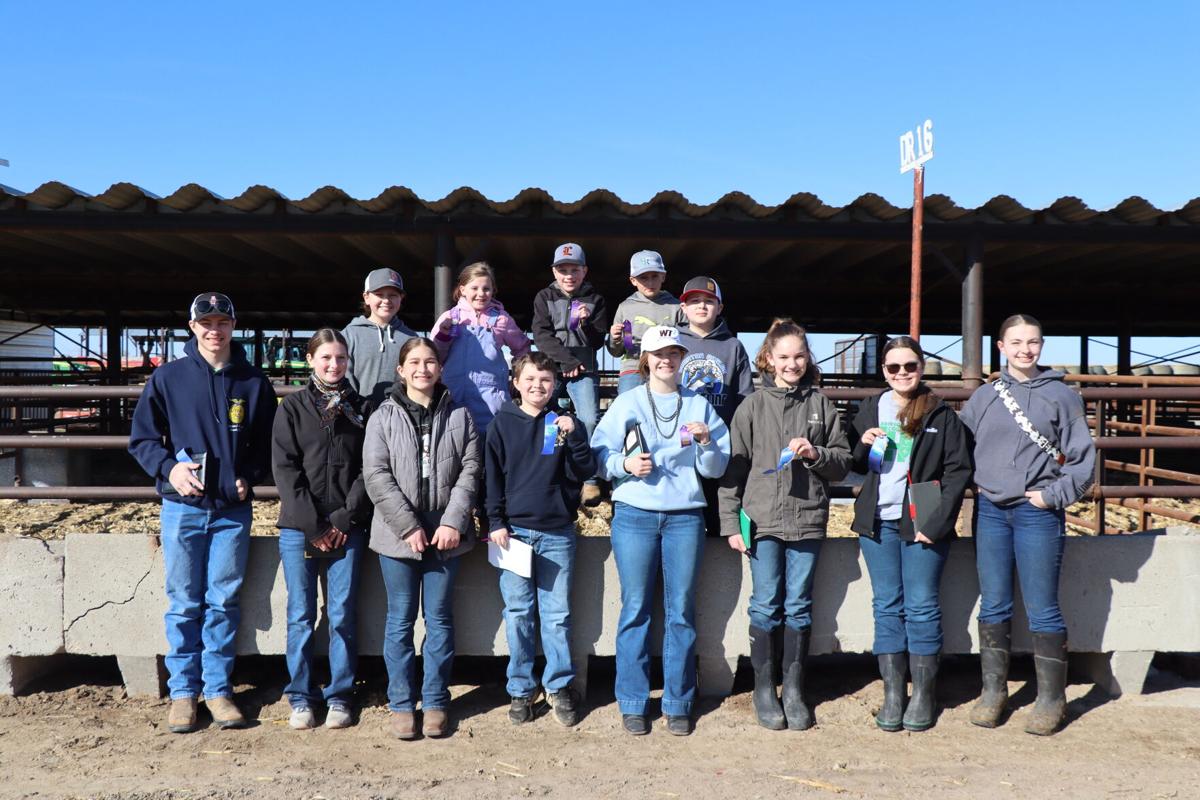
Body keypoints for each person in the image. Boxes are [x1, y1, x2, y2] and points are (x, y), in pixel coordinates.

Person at [128, 292, 276, 734]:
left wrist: (249, 475)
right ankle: (183, 693)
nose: (215, 330)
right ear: (192, 327)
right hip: (182, 508)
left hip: (232, 511)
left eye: (222, 322)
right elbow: (142, 439)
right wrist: (169, 469)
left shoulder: (253, 382)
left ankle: (218, 690)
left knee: (223, 601)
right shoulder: (168, 378)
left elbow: (268, 444)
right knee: (184, 602)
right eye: (206, 323)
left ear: (234, 326)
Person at [959, 314, 1095, 736]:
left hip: (1037, 512)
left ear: (1042, 345)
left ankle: (1051, 699)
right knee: (993, 603)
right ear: (1001, 347)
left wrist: (1052, 495)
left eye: (1032, 342)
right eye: (1016, 342)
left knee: (1042, 606)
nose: (1025, 350)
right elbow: (959, 446)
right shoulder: (984, 397)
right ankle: (993, 692)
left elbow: (1083, 459)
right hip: (991, 511)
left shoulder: (1062, 396)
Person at [591, 326, 730, 736]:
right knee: (635, 608)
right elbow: (599, 454)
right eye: (658, 353)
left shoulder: (699, 406)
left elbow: (715, 469)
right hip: (634, 514)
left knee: (681, 610)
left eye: (673, 353)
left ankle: (678, 702)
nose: (666, 360)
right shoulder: (628, 402)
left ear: (682, 358)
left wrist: (706, 443)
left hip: (685, 517)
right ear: (646, 360)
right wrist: (624, 465)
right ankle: (633, 701)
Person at [718, 318, 851, 731]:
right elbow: (734, 470)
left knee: (799, 605)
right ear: (769, 359)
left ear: (807, 358)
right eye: (784, 357)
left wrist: (815, 454)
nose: (792, 364)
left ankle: (793, 689)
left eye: (799, 356)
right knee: (765, 603)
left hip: (807, 519)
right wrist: (731, 523)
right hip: (762, 522)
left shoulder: (821, 405)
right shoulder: (752, 407)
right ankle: (763, 689)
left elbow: (842, 462)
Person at [848, 336, 972, 732]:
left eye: (910, 366)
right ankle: (892, 693)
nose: (902, 373)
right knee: (886, 604)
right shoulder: (870, 408)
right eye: (893, 367)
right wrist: (862, 443)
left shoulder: (941, 414)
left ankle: (922, 694)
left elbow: (958, 471)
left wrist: (936, 522)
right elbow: (855, 463)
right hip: (876, 518)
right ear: (884, 371)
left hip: (923, 515)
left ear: (921, 368)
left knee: (921, 605)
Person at [363, 337, 480, 740]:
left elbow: (470, 470)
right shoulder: (383, 417)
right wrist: (408, 526)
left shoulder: (460, 415)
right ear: (400, 370)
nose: (422, 369)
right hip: (398, 533)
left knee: (440, 619)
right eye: (414, 362)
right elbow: (376, 475)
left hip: (447, 531)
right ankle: (400, 703)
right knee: (399, 620)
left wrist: (453, 522)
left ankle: (434, 701)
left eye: (430, 362)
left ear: (440, 368)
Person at [485, 352, 595, 727]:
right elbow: (492, 478)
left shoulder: (563, 423)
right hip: (513, 534)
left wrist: (575, 436)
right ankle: (520, 688)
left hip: (557, 532)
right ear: (516, 383)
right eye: (530, 379)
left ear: (555, 385)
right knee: (518, 613)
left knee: (556, 615)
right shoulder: (502, 424)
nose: (538, 386)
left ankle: (558, 685)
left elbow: (585, 470)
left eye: (546, 380)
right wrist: (495, 521)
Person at [271, 328, 373, 731]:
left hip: (348, 526)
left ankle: (340, 694)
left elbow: (369, 467)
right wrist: (313, 525)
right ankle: (300, 694)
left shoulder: (361, 408)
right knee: (300, 613)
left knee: (342, 613)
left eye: (341, 358)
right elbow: (285, 468)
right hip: (300, 527)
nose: (334, 365)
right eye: (326, 357)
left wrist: (344, 519)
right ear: (311, 359)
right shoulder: (293, 408)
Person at [530, 242, 608, 505]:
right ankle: (546, 472)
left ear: (584, 271)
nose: (569, 275)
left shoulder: (596, 300)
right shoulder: (544, 297)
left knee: (589, 419)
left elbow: (597, 341)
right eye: (563, 270)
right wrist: (566, 361)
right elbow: (541, 335)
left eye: (574, 270)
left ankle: (590, 479)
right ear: (554, 272)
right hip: (553, 368)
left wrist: (586, 324)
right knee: (547, 420)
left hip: (585, 369)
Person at [676, 276, 753, 536]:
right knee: (685, 511)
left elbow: (744, 397)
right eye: (694, 301)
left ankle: (720, 553)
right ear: (683, 308)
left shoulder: (733, 346)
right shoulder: (673, 342)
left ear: (720, 307)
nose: (701, 306)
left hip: (719, 442)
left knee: (717, 509)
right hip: (680, 440)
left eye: (709, 301)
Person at [431, 262, 531, 434]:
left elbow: (523, 348)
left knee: (490, 441)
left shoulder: (501, 319)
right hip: (454, 395)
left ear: (493, 290)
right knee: (454, 440)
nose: (480, 294)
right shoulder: (449, 317)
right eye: (474, 288)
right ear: (462, 290)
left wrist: (518, 377)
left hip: (491, 399)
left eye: (486, 289)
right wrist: (443, 335)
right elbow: (433, 356)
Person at [606, 250, 684, 395]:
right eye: (643, 277)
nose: (650, 282)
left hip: (666, 366)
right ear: (633, 280)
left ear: (663, 276)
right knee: (628, 404)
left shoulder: (676, 307)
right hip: (633, 368)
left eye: (655, 276)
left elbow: (685, 343)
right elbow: (616, 352)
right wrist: (614, 339)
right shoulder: (625, 307)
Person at [342, 267, 416, 406]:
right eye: (379, 294)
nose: (386, 300)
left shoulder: (412, 339)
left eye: (393, 295)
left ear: (401, 298)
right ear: (366, 297)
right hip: (358, 414)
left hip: (400, 415)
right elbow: (343, 378)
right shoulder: (349, 335)